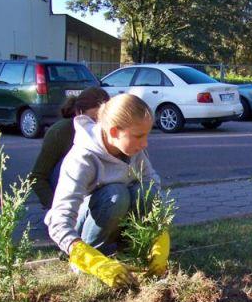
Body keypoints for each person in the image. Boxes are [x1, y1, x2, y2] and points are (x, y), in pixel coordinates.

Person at [45, 93, 169, 289]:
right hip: (87, 233)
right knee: (116, 194)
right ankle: (95, 260)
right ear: (113, 132)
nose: (145, 143)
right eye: (138, 136)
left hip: (117, 222)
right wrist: (91, 260)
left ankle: (131, 251)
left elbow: (152, 186)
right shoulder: (82, 158)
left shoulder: (135, 151)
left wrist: (160, 236)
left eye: (147, 134)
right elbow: (58, 222)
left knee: (147, 192)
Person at [30, 87, 110, 209]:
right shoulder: (60, 132)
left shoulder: (111, 131)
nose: (98, 125)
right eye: (94, 119)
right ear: (79, 113)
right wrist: (55, 209)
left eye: (103, 120)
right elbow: (37, 177)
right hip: (64, 196)